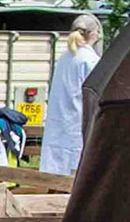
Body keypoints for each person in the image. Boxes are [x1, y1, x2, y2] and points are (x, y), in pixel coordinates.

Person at [41, 13, 103, 175]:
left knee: (57, 174)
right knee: (75, 174)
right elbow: (97, 93)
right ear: (94, 34)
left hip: (59, 125)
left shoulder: (65, 57)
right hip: (78, 123)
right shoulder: (89, 60)